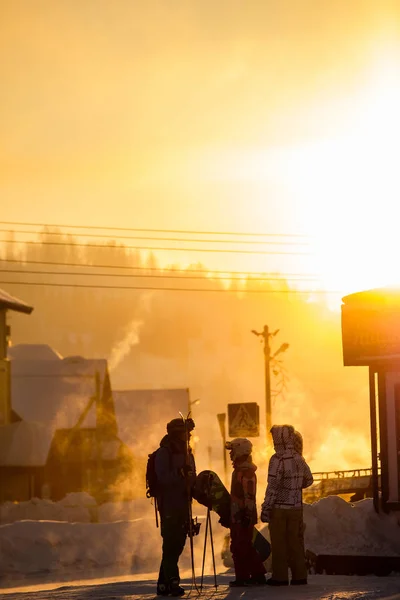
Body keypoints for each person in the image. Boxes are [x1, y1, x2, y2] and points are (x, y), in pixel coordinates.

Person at [261, 424, 313, 586]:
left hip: (279, 510)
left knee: (279, 544)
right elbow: (309, 479)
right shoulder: (299, 458)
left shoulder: (277, 459)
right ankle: (300, 576)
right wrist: (295, 487)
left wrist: (266, 508)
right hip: (296, 508)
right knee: (295, 543)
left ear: (278, 439)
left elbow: (273, 487)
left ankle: (280, 577)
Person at [155, 417, 196, 597]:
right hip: (169, 506)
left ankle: (162, 584)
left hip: (184, 505)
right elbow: (162, 478)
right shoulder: (164, 453)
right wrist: (179, 474)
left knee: (178, 544)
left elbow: (192, 478)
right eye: (185, 432)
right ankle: (173, 582)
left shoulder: (188, 453)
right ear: (176, 433)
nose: (188, 435)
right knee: (170, 544)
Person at [225, 437, 267, 587]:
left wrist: (247, 515)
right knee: (238, 546)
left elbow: (249, 496)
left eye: (233, 451)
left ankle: (254, 576)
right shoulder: (238, 471)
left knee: (243, 546)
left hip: (243, 516)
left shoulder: (246, 472)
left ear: (240, 451)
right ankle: (248, 576)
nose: (230, 454)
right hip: (237, 515)